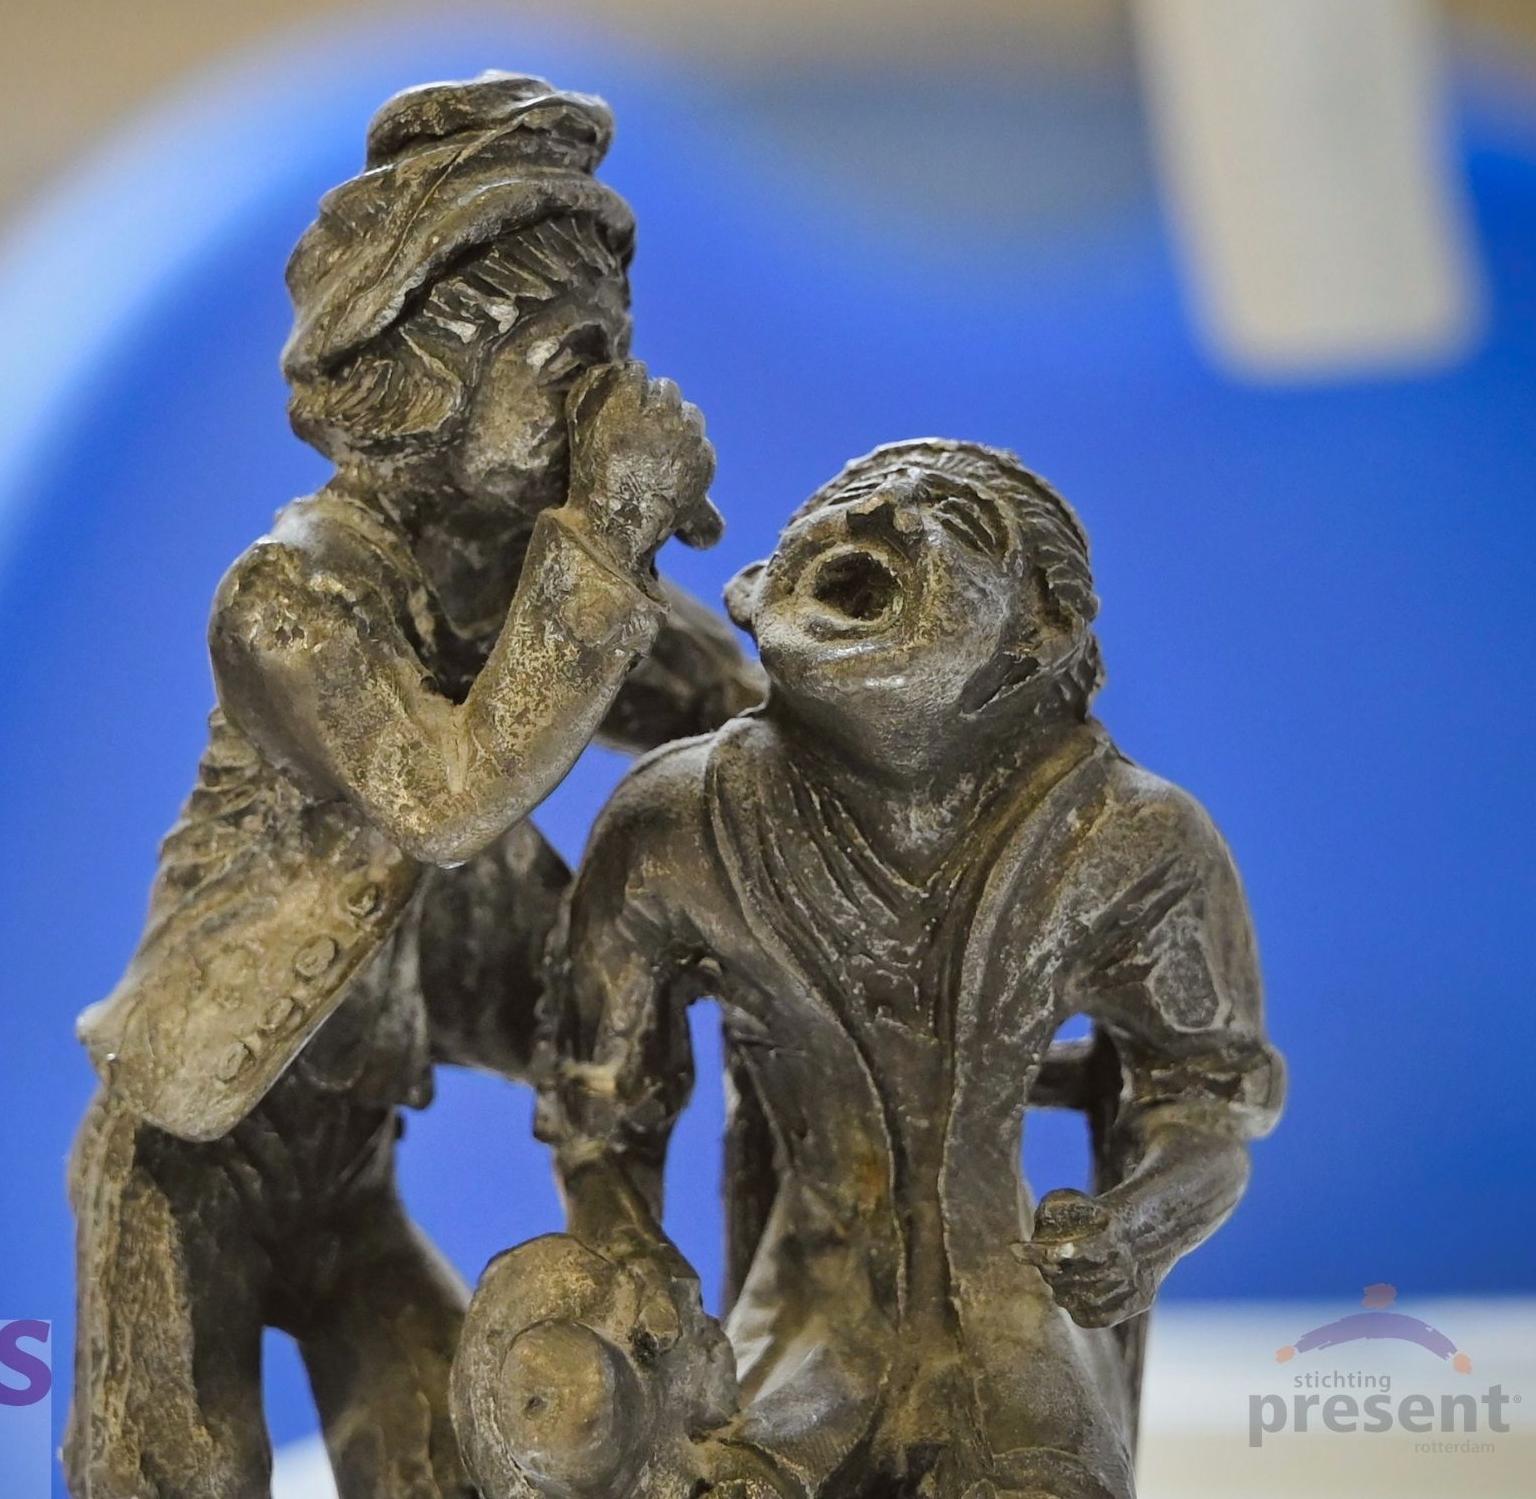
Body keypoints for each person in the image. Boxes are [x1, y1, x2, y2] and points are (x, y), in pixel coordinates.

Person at [64, 73, 761, 1499]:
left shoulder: (521, 577)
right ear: (426, 390)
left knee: (442, 1464)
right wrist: (609, 528)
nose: (603, 406)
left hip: (346, 1171)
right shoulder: (289, 599)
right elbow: (448, 798)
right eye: (569, 368)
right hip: (189, 1161)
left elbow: (717, 703)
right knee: (182, 1472)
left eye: (615, 361)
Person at [475, 440, 1283, 1499]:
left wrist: (1136, 1230)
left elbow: (1204, 1103)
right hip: (796, 1330)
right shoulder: (676, 825)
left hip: (1014, 1330)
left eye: (957, 517)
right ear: (755, 592)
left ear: (1039, 635)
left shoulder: (1127, 842)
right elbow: (599, 1118)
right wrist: (629, 1265)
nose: (885, 513)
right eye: (848, 501)